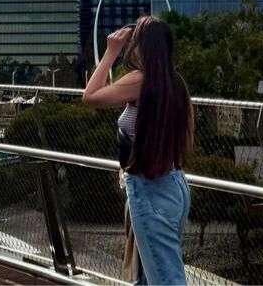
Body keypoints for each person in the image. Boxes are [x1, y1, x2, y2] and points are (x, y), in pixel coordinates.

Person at [82, 16, 193, 285]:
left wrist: (110, 52)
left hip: (150, 188)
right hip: (175, 184)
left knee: (165, 279)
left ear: (142, 47)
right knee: (148, 274)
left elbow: (90, 96)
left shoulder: (140, 80)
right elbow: (186, 138)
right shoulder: (176, 83)